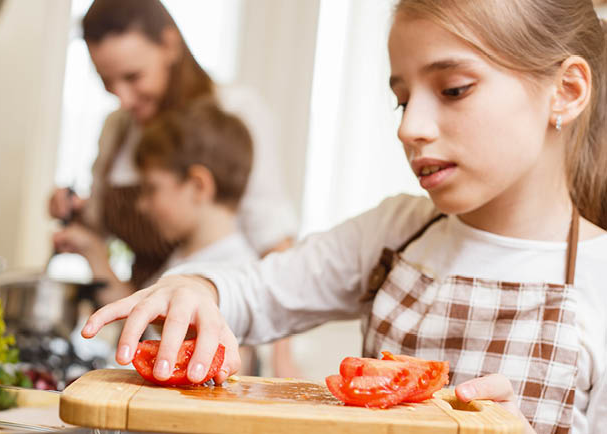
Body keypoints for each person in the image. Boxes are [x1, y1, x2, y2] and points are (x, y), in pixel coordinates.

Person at [79, 0, 607, 432]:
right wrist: (198, 288)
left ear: (566, 91)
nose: (411, 128)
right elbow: (255, 290)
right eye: (401, 100)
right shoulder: (395, 232)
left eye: (453, 90)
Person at [50, 0, 301, 377]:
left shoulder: (233, 111)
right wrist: (73, 210)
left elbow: (273, 242)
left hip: (207, 313)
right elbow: (100, 221)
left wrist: (283, 365)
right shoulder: (118, 129)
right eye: (107, 82)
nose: (121, 97)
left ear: (169, 46)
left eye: (133, 77)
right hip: (150, 309)